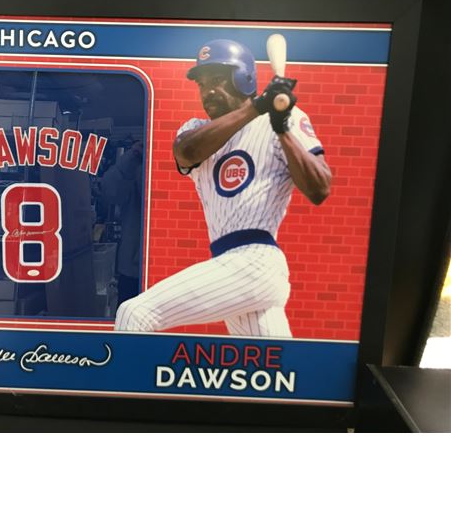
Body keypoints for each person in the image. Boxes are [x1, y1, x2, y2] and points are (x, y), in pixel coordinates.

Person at [114, 39, 331, 337]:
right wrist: (258, 106)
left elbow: (319, 188)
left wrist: (282, 128)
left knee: (135, 313)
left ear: (245, 78)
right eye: (202, 84)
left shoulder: (284, 120)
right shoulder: (195, 128)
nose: (208, 90)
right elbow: (186, 152)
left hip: (256, 260)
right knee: (274, 364)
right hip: (231, 264)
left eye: (217, 79)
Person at [101, 140, 143, 307]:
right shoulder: (136, 166)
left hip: (173, 267)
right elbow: (110, 193)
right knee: (127, 320)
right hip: (133, 270)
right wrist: (133, 156)